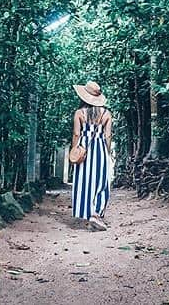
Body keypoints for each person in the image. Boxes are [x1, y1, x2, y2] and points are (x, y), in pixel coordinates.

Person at [71, 81, 112, 231]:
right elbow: (108, 136)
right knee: (101, 181)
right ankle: (96, 214)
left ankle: (86, 212)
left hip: (83, 147)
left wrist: (74, 150)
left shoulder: (79, 113)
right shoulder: (106, 114)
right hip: (100, 147)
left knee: (84, 180)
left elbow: (76, 133)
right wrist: (106, 152)